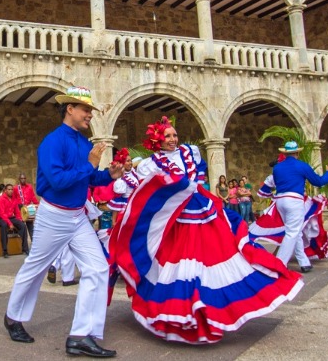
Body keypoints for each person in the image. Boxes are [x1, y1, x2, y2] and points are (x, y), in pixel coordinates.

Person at [110, 117, 303, 344]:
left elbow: (198, 175)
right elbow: (125, 186)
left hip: (203, 211)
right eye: (168, 137)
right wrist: (121, 176)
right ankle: (184, 311)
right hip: (177, 220)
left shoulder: (190, 152)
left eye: (174, 135)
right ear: (157, 141)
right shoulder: (149, 164)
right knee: (181, 263)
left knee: (215, 256)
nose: (173, 140)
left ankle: (209, 308)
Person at [3, 86, 123, 358]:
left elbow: (89, 179)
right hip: (53, 215)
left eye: (90, 110)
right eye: (86, 109)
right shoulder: (53, 142)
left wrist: (109, 175)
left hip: (78, 216)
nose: (90, 115)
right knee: (35, 267)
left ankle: (81, 335)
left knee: (98, 268)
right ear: (69, 109)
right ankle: (13, 317)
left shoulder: (83, 143)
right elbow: (57, 181)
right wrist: (91, 165)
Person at [272, 141, 328, 272]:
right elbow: (318, 182)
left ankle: (304, 262)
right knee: (292, 232)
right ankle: (279, 264)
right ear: (298, 152)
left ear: (285, 153)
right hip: (294, 200)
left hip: (280, 200)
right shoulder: (302, 166)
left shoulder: (277, 168)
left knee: (296, 231)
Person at [0, 183, 30, 257]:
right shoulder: (1, 199)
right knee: (4, 225)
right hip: (1, 218)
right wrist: (10, 223)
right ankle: (5, 251)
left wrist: (20, 219)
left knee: (22, 226)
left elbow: (17, 212)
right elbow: (2, 214)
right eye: (9, 189)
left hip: (11, 217)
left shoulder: (14, 199)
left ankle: (25, 249)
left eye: (12, 189)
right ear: (5, 190)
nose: (11, 191)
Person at [12, 173, 39, 239]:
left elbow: (33, 196)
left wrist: (37, 204)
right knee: (21, 227)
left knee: (30, 227)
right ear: (19, 179)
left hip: (28, 209)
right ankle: (23, 245)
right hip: (20, 209)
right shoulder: (16, 188)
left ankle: (33, 244)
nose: (23, 180)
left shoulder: (29, 187)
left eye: (24, 178)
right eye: (21, 178)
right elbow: (14, 199)